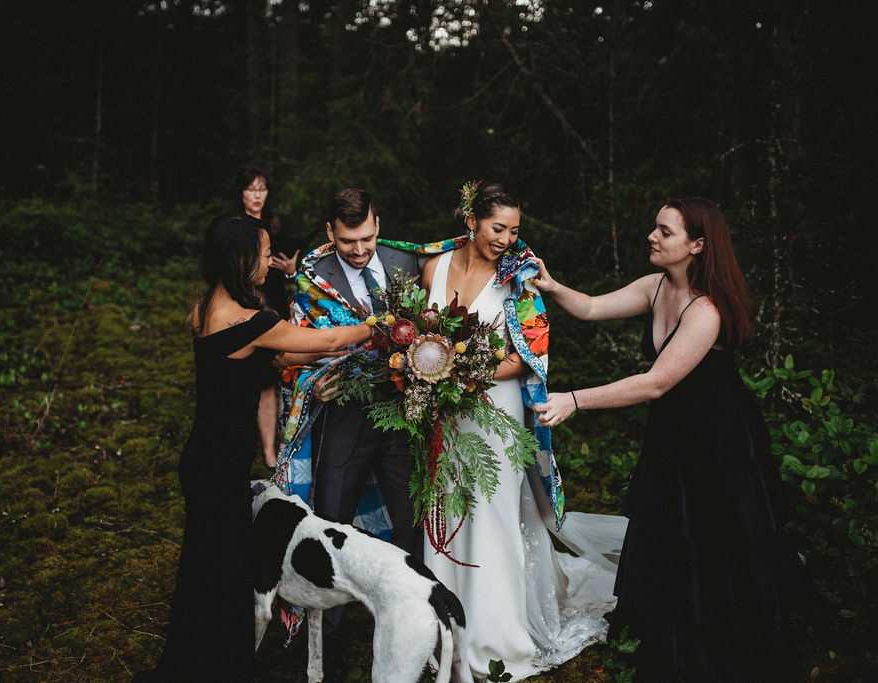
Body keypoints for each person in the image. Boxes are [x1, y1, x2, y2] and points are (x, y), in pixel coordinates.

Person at [532, 197, 804, 681]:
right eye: (655, 228)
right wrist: (552, 286)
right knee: (667, 529)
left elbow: (655, 383)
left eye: (665, 231)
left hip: (717, 438)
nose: (652, 237)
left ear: (697, 245)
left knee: (714, 536)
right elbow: (592, 307)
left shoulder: (706, 310)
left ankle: (715, 641)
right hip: (675, 433)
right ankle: (665, 629)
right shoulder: (656, 285)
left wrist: (574, 399)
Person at [134, 214, 374, 682]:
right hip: (218, 466)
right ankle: (218, 669)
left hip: (206, 458)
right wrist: (378, 326)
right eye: (264, 254)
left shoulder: (212, 305)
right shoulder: (249, 320)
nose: (270, 262)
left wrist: (339, 350)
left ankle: (197, 661)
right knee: (226, 571)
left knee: (206, 568)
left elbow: (285, 355)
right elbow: (327, 337)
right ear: (242, 259)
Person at [420, 181, 627, 680]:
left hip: (496, 409)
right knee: (445, 506)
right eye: (498, 228)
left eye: (514, 231)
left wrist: (464, 372)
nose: (507, 240)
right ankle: (441, 627)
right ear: (472, 220)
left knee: (491, 514)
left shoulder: (520, 280)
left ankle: (495, 638)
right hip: (444, 412)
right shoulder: (434, 268)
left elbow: (527, 359)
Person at [278, 188, 425, 677]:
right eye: (347, 242)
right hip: (343, 417)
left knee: (411, 520)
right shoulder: (312, 276)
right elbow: (295, 345)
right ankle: (326, 639)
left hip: (401, 419)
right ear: (329, 233)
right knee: (331, 520)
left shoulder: (407, 261)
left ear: (378, 224)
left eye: (366, 238)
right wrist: (311, 381)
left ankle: (411, 623)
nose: (359, 251)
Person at [238, 167, 301, 469]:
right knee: (245, 378)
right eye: (251, 189)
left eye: (261, 189)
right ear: (241, 192)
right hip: (244, 304)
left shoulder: (277, 224)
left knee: (270, 380)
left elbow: (291, 269)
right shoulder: (234, 226)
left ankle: (269, 450)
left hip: (273, 303)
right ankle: (245, 443)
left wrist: (290, 270)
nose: (257, 195)